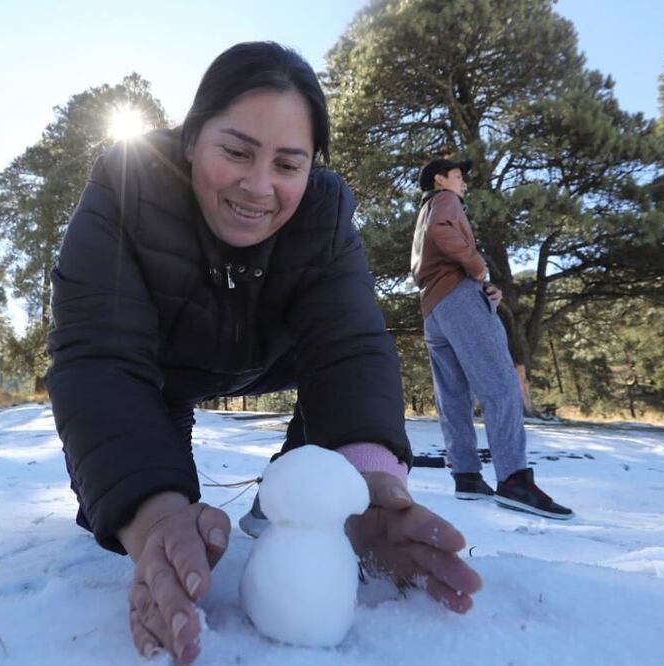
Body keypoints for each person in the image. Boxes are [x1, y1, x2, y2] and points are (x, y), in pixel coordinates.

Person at [46, 42, 481, 664]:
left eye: (287, 164)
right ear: (192, 138)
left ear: (311, 166)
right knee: (137, 500)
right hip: (158, 373)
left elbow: (350, 348)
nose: (258, 187)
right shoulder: (124, 189)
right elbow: (98, 360)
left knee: (330, 411)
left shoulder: (325, 215)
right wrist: (151, 516)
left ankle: (285, 496)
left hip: (267, 358)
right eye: (236, 151)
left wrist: (367, 488)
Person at [411, 157, 573, 520]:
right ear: (440, 180)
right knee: (501, 384)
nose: (464, 182)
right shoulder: (446, 201)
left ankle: (466, 475)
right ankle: (514, 480)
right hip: (458, 298)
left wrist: (479, 286)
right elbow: (443, 231)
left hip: (433, 309)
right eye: (458, 175)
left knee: (452, 396)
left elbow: (435, 244)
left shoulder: (424, 210)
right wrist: (478, 270)